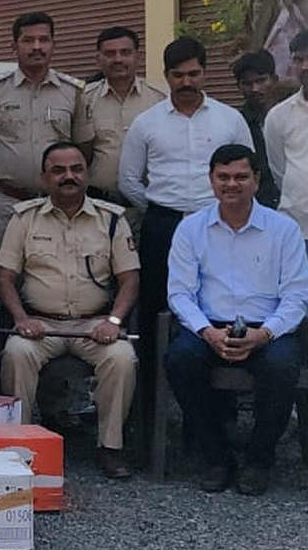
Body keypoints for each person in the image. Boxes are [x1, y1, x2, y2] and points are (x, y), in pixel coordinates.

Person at [117, 36, 253, 436]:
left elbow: (246, 172)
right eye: (178, 75)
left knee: (222, 308)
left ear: (204, 73)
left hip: (221, 226)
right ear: (167, 76)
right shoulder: (147, 122)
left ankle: (218, 417)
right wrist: (165, 208)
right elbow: (129, 179)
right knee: (159, 312)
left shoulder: (229, 120)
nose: (186, 81)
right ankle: (151, 417)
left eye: (194, 73)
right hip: (165, 227)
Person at [164, 144, 308, 495]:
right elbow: (180, 293)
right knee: (180, 360)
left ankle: (259, 459)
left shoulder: (283, 229)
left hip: (268, 328)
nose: (232, 184)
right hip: (209, 326)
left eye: (241, 176)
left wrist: (265, 334)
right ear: (211, 181)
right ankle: (217, 457)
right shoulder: (191, 228)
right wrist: (208, 332)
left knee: (282, 367)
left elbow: (296, 296)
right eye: (223, 177)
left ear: (256, 180)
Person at [0, 143, 140, 479]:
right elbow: (4, 277)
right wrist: (20, 319)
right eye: (58, 171)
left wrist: (114, 321)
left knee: (121, 358)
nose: (69, 176)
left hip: (94, 325)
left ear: (87, 174)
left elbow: (130, 279)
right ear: (44, 178)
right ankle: (23, 441)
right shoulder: (24, 218)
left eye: (76, 169)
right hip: (41, 325)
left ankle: (110, 447)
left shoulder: (112, 220)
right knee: (16, 352)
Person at [0, 12, 84, 304]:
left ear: (53, 44)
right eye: (28, 40)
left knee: (57, 282)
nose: (36, 46)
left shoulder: (73, 93)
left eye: (44, 40)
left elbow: (83, 148)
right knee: (3, 282)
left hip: (60, 204)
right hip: (8, 204)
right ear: (14, 46)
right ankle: (1, 345)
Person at [72, 26, 164, 230]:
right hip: (98, 208)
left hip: (147, 209)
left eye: (125, 52)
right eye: (110, 53)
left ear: (137, 57)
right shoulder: (84, 99)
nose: (118, 59)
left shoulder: (159, 100)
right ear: (98, 59)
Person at [264, 29, 308, 251]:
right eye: (299, 59)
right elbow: (279, 170)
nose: (305, 67)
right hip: (296, 231)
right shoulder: (278, 116)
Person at [232, 49, 281, 209]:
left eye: (261, 80)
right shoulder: (235, 123)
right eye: (247, 83)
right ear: (238, 86)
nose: (255, 89)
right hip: (255, 208)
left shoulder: (291, 116)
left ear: (274, 79)